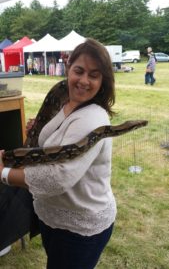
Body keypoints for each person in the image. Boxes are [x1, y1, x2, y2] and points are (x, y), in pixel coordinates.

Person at [0, 38, 117, 269]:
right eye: (79, 71)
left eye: (93, 75)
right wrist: (42, 130)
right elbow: (56, 140)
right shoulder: (69, 102)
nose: (83, 80)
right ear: (68, 67)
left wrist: (3, 173)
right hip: (54, 217)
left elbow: (57, 178)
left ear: (103, 80)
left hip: (80, 226)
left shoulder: (93, 118)